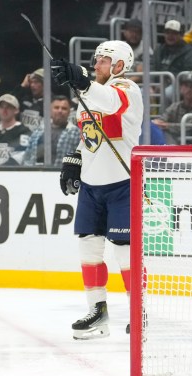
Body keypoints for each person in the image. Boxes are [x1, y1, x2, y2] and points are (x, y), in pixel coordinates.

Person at [51, 40, 143, 339]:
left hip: (122, 184)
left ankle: (137, 312)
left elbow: (111, 102)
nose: (96, 64)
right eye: (95, 59)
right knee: (88, 247)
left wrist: (82, 80)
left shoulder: (127, 89)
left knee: (124, 251)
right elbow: (89, 135)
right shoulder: (89, 92)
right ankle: (97, 311)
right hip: (92, 186)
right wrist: (73, 161)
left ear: (119, 65)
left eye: (103, 60)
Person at [152, 20, 192, 102]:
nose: (170, 36)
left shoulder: (189, 51)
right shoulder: (159, 50)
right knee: (142, 92)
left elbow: (188, 71)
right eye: (167, 33)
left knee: (167, 93)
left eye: (174, 33)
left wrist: (166, 82)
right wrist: (151, 84)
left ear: (181, 35)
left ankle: (165, 115)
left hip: (179, 84)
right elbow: (151, 67)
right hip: (158, 83)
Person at [152, 73, 192, 145]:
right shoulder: (175, 106)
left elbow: (190, 129)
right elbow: (161, 120)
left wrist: (167, 126)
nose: (189, 89)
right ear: (180, 88)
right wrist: (158, 123)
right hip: (176, 143)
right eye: (186, 86)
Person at [13, 68, 44, 132]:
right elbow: (8, 102)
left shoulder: (52, 102)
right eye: (31, 82)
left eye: (36, 82)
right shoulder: (24, 99)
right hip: (20, 137)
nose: (32, 85)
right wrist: (22, 86)